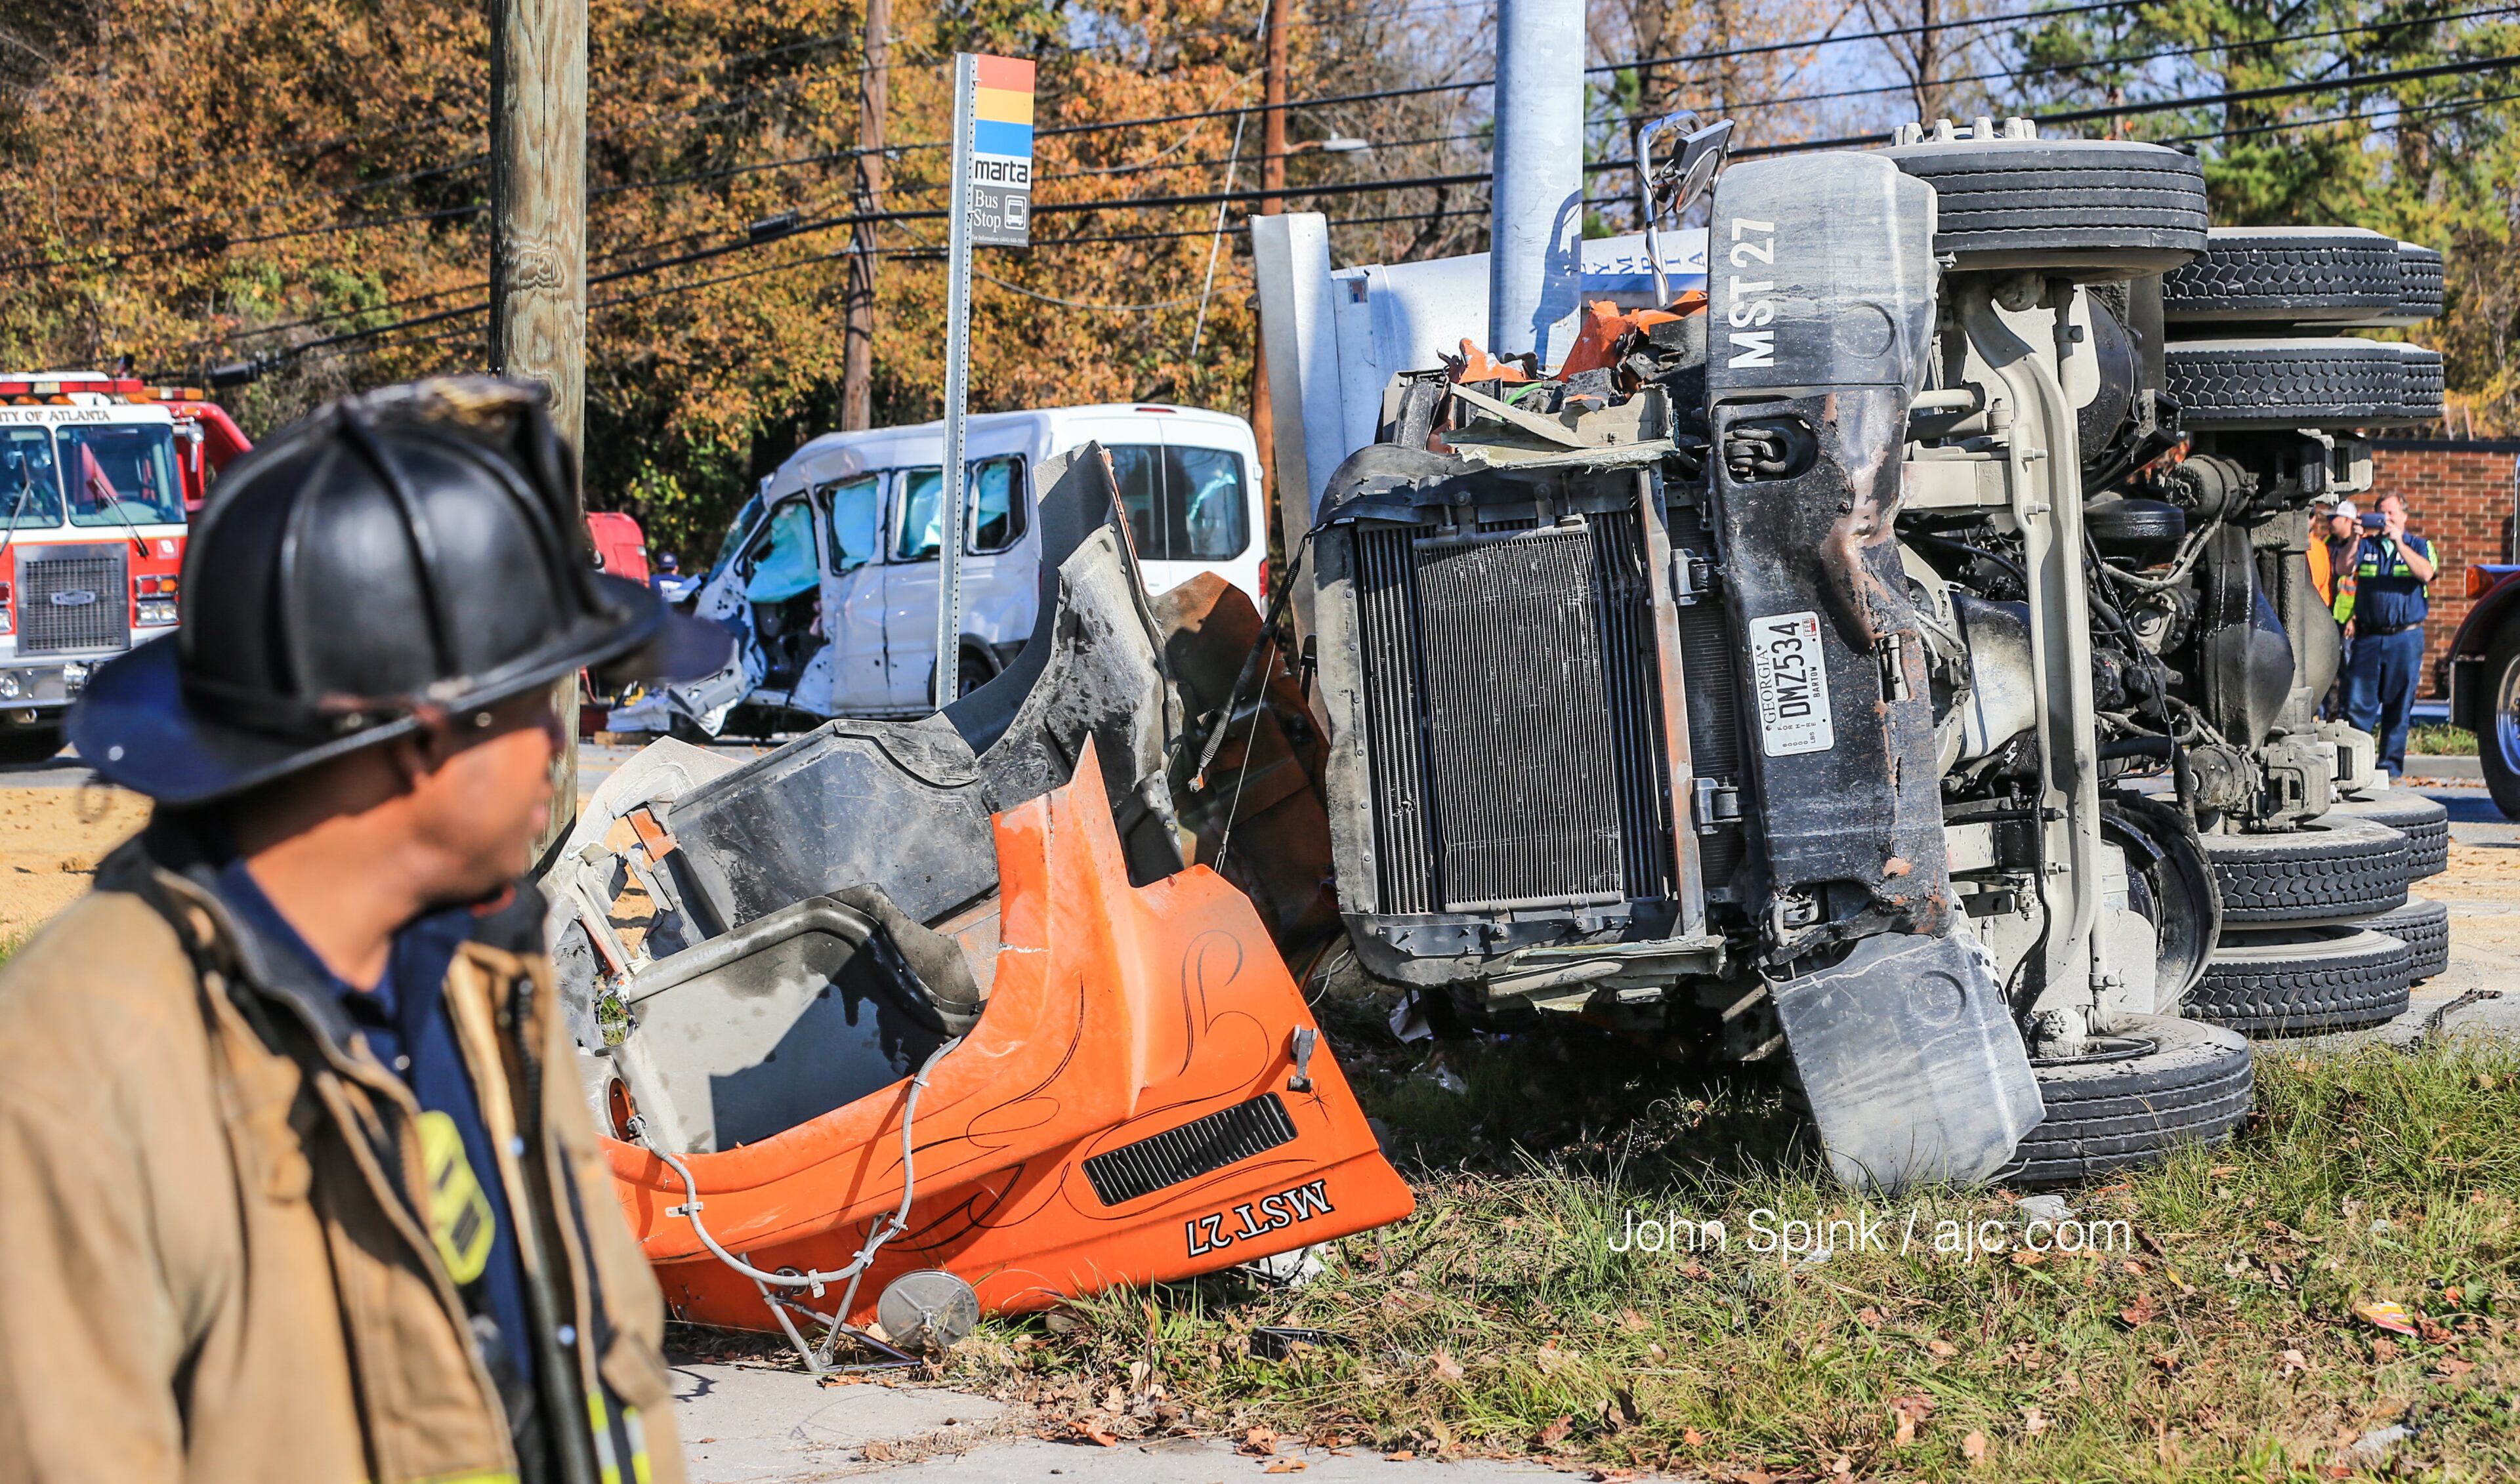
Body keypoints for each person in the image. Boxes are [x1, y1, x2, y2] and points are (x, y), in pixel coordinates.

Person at [0, 379, 728, 1483]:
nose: (564, 740)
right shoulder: (74, 1078)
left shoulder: (480, 973)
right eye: (538, 699)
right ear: (415, 743)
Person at [2341, 491, 2438, 776]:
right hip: (2369, 637)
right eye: (2381, 513)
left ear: (2405, 516)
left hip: (2405, 639)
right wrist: (2355, 539)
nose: (2387, 519)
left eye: (2392, 513)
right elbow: (2342, 568)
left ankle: (2390, 768)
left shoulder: (2419, 545)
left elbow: (2427, 573)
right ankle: (2356, 770)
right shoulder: (2365, 545)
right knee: (2358, 704)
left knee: (2399, 703)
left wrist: (2398, 543)